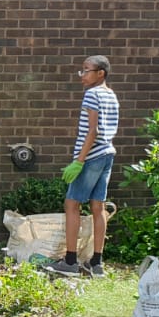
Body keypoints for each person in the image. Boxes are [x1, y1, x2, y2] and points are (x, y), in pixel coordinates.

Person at [50, 55, 119, 278]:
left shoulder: (92, 94)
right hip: (107, 154)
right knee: (98, 208)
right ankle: (96, 263)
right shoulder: (111, 95)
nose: (82, 75)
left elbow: (93, 131)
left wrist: (79, 161)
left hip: (91, 156)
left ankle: (70, 261)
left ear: (101, 73)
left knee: (72, 204)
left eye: (87, 70)